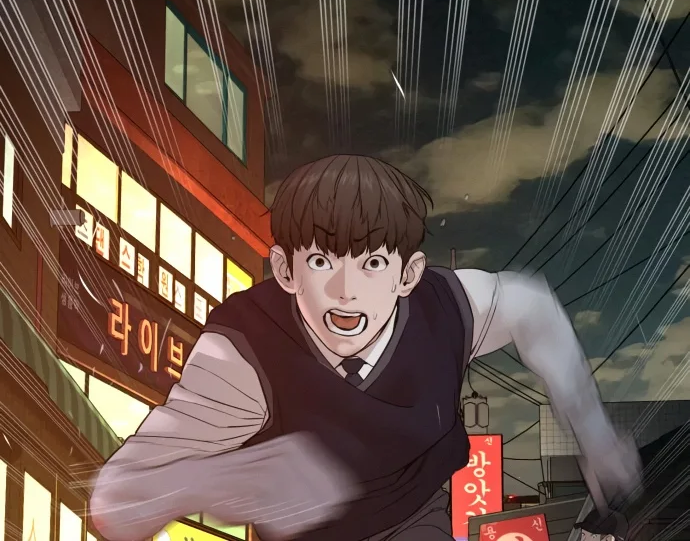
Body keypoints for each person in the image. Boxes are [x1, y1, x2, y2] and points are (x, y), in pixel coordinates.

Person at [90, 155, 641, 541]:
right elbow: (113, 501)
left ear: (408, 274)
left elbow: (532, 307)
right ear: (285, 269)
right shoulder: (243, 355)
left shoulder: (446, 308)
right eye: (321, 262)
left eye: (372, 263)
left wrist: (592, 432)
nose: (345, 291)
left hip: (417, 515)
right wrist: (217, 481)